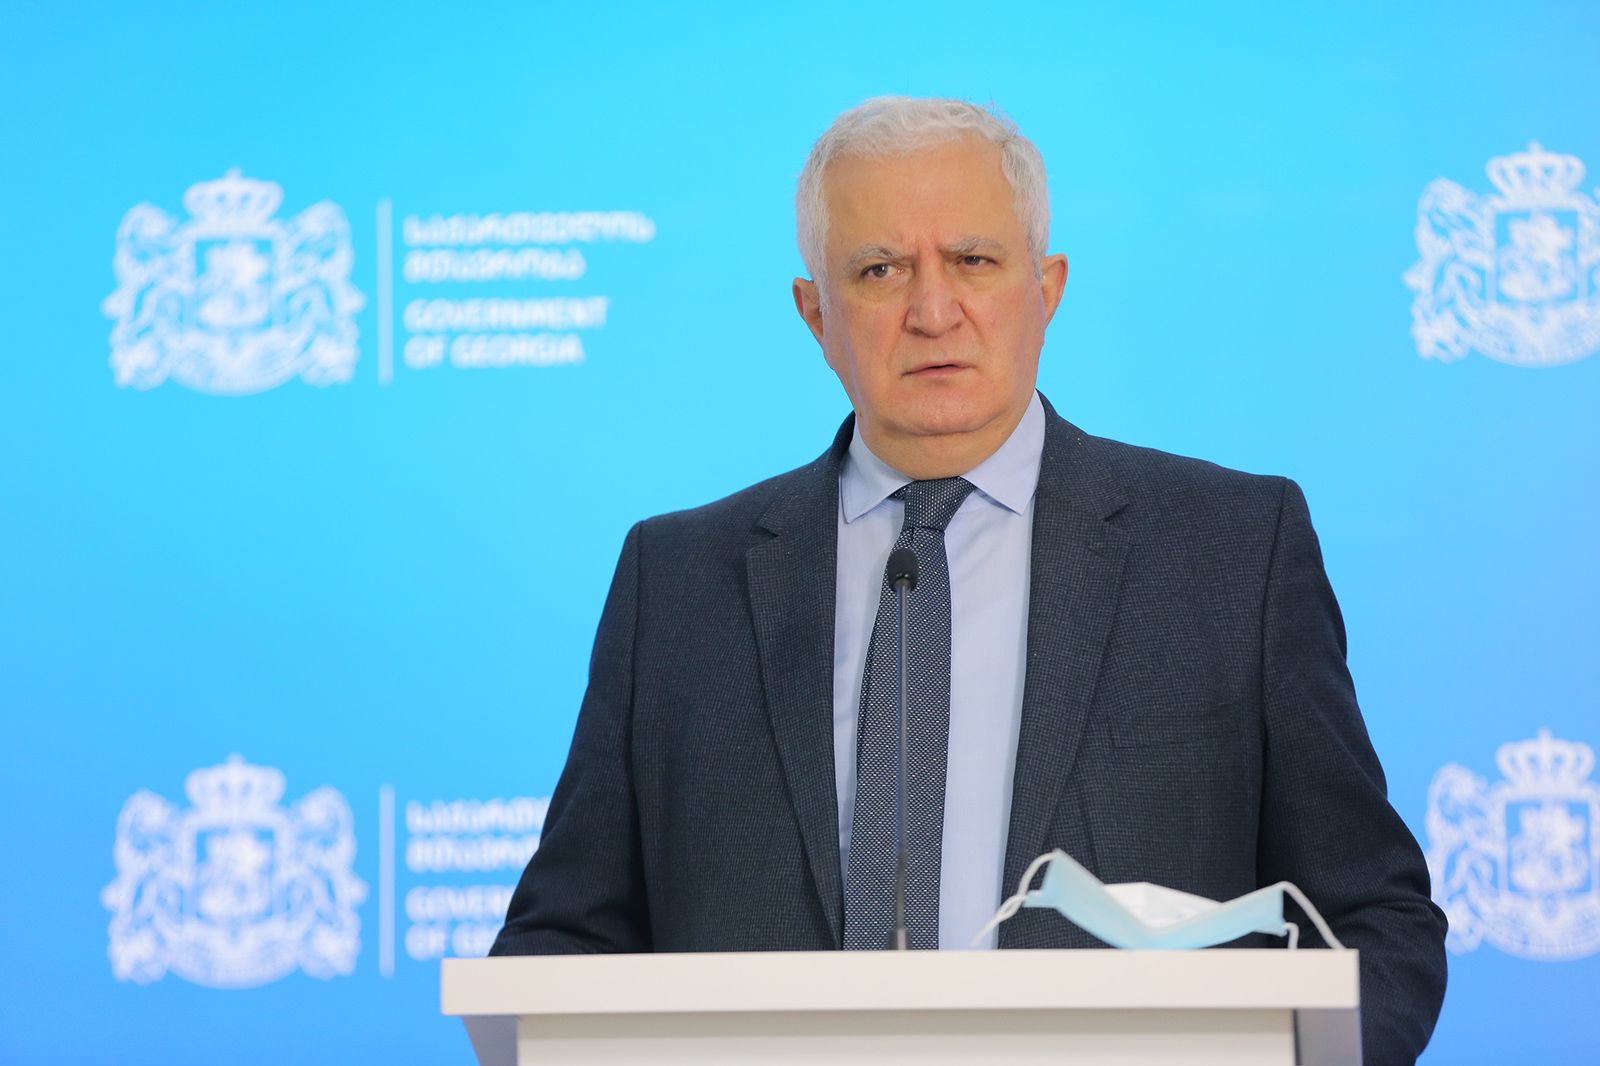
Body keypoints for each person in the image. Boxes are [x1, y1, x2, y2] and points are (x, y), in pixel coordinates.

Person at [491, 96, 1447, 1065]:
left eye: (974, 261)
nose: (932, 311)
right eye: (880, 270)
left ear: (1047, 288)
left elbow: (1374, 925)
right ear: (815, 315)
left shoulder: (1230, 551)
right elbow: (558, 944)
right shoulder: (676, 584)